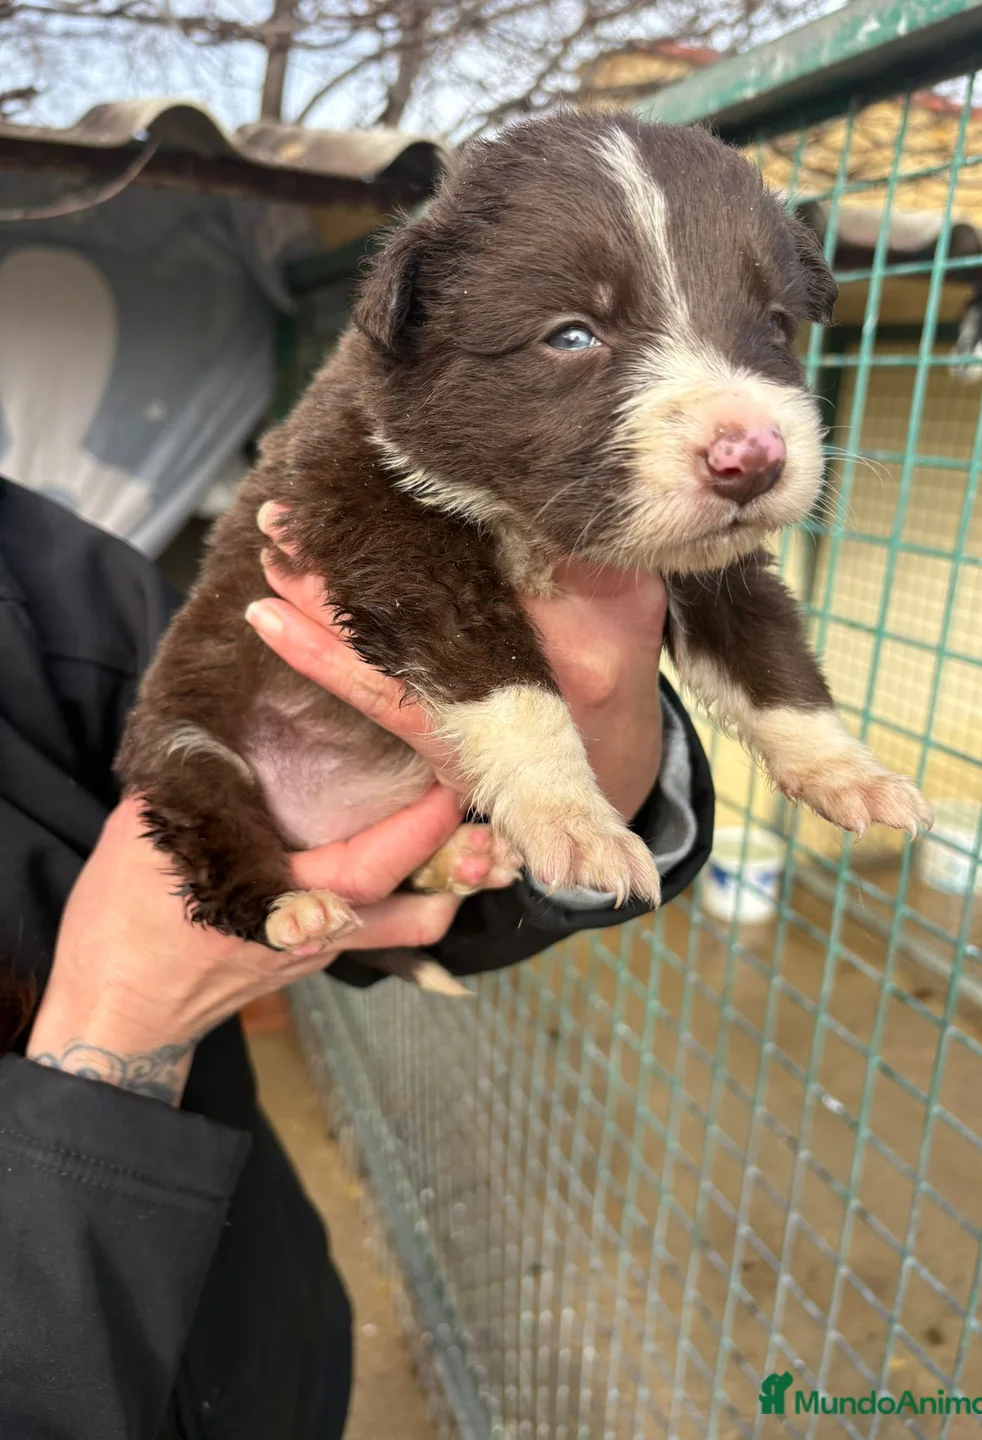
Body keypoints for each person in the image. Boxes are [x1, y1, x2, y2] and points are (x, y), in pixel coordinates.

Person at [0, 474, 714, 1440]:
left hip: (257, 1340)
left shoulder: (31, 571)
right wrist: (123, 1019)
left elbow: (265, 702)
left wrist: (595, 785)